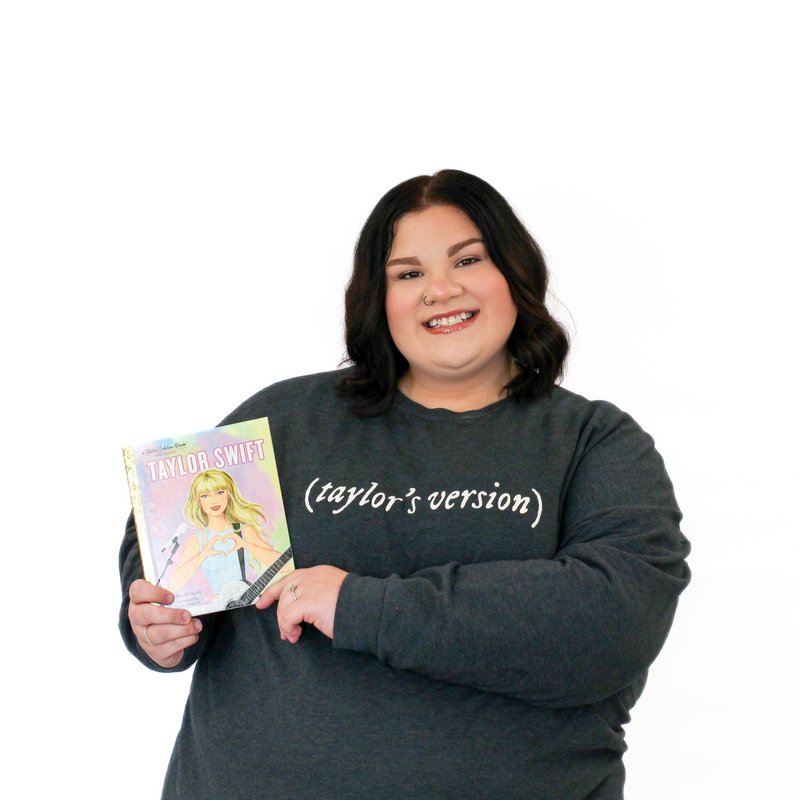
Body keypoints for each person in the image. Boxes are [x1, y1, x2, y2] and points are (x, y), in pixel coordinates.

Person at [120, 169, 691, 800]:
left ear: (515, 274)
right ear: (378, 297)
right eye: (408, 273)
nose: (439, 291)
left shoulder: (595, 441)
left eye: (467, 260)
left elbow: (611, 623)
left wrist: (359, 606)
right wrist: (157, 624)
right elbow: (164, 533)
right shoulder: (284, 421)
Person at [167, 468, 286, 595]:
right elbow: (173, 586)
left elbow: (285, 567)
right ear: (198, 501)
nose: (214, 501)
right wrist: (203, 554)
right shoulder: (198, 539)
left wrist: (245, 544)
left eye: (219, 492)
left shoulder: (243, 530)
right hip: (218, 604)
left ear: (228, 495)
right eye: (205, 495)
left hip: (248, 597)